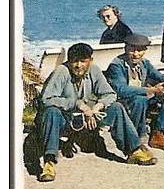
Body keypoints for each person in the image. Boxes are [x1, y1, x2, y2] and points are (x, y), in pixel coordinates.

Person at [35, 43, 156, 181]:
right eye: (74, 61)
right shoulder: (61, 72)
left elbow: (110, 94)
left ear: (90, 60)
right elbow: (46, 99)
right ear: (69, 61)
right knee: (51, 112)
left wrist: (97, 107)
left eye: (83, 61)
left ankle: (134, 151)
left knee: (116, 107)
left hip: (88, 117)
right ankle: (49, 162)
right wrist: (77, 104)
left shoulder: (94, 70)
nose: (78, 65)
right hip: (65, 119)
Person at [105, 33, 164, 153]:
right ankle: (136, 138)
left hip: (142, 98)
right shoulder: (117, 66)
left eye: (140, 50)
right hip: (124, 102)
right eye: (132, 50)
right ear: (126, 49)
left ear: (145, 50)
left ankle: (159, 133)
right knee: (139, 99)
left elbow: (158, 75)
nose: (136, 54)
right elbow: (121, 90)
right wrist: (150, 90)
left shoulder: (144, 63)